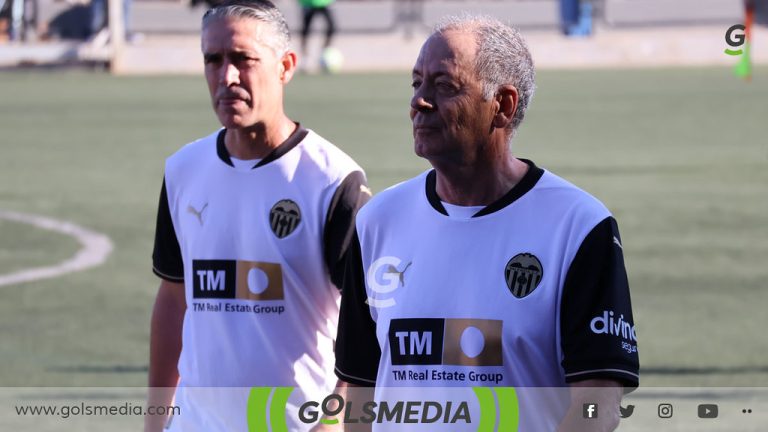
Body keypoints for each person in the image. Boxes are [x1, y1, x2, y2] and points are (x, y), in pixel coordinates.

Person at [335, 14, 639, 431]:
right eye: (417, 83)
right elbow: (359, 387)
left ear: (503, 105)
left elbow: (598, 398)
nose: (420, 101)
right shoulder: (377, 222)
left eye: (444, 86)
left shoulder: (579, 227)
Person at [145, 1, 369, 431]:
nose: (226, 77)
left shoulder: (332, 180)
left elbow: (370, 323)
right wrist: (157, 420)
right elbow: (174, 299)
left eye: (242, 60)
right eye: (213, 60)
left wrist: (333, 419)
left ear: (285, 66)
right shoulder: (183, 171)